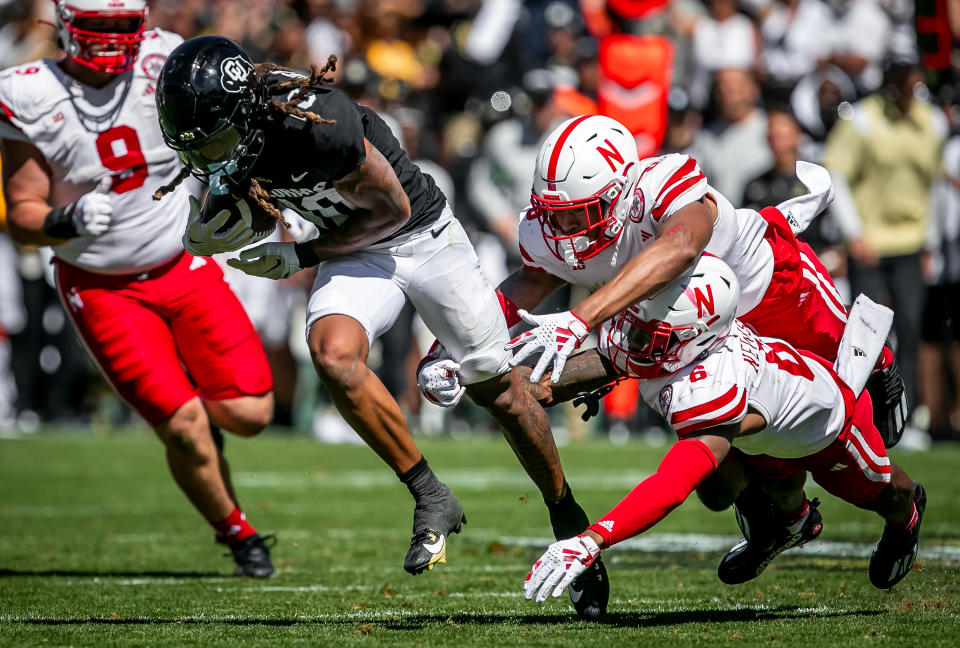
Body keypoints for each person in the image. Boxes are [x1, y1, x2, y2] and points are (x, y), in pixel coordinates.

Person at [152, 35, 609, 620]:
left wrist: (299, 256)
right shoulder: (245, 134)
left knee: (502, 393)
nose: (212, 153)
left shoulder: (318, 120)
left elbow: (389, 212)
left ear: (245, 110)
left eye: (216, 137)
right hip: (356, 253)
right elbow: (236, 189)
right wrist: (209, 227)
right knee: (333, 354)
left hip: (422, 237)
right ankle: (429, 495)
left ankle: (567, 517)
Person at [0, 1, 276, 576]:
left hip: (182, 263)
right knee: (184, 428)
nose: (110, 42)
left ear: (142, 23)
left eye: (122, 27)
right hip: (103, 287)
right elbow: (22, 212)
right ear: (65, 25)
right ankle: (238, 532)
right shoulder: (28, 93)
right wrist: (65, 219)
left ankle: (198, 425)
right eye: (98, 28)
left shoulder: (164, 57)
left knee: (251, 412)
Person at [521, 256, 926, 608]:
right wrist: (482, 373)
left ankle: (906, 519)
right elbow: (561, 378)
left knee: (888, 493)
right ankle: (789, 523)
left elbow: (672, 483)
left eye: (648, 334)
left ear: (692, 339)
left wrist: (592, 540)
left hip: (828, 428)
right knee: (733, 492)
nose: (632, 338)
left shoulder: (713, 383)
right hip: (762, 430)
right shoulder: (686, 339)